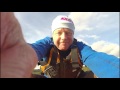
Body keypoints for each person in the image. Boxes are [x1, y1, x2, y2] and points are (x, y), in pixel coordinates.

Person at [1, 12, 119, 78]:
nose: (64, 37)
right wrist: (14, 59)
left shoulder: (79, 47)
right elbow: (32, 51)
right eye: (59, 32)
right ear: (53, 34)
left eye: (68, 33)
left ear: (73, 35)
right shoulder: (46, 44)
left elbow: (97, 58)